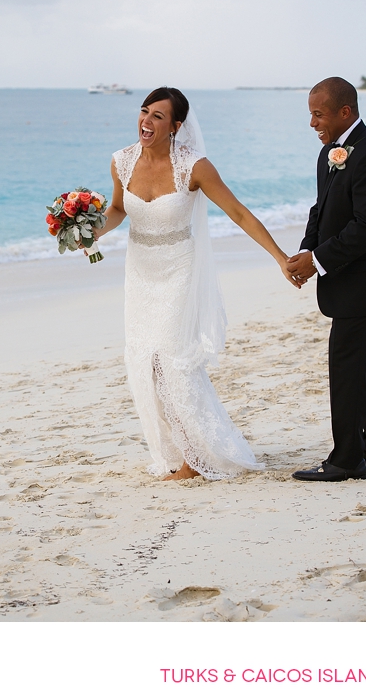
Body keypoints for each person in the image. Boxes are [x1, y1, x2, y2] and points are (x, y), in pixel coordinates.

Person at [95, 87, 297, 481]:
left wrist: (279, 257)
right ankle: (178, 447)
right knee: (146, 363)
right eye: (143, 112)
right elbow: (118, 208)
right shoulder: (121, 161)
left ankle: (192, 460)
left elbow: (238, 212)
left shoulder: (195, 166)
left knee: (173, 360)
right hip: (140, 273)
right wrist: (91, 231)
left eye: (157, 116)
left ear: (176, 126)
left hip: (178, 272)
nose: (146, 122)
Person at [287, 77, 366, 482]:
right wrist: (307, 250)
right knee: (364, 362)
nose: (312, 122)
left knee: (346, 362)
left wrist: (318, 261)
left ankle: (346, 460)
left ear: (346, 112)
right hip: (354, 277)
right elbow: (322, 207)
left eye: (318, 114)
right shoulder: (332, 151)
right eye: (310, 113)